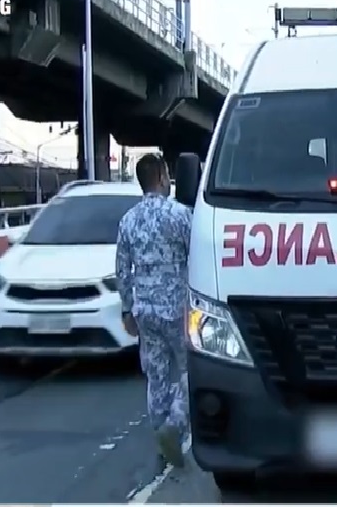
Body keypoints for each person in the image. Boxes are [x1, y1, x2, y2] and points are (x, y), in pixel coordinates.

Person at [116, 153, 193, 468]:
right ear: (163, 178)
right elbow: (197, 256)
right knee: (191, 370)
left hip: (145, 310)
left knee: (156, 376)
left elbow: (122, 270)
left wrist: (126, 310)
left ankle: (160, 437)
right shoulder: (179, 215)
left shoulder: (129, 220)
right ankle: (175, 425)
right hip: (177, 309)